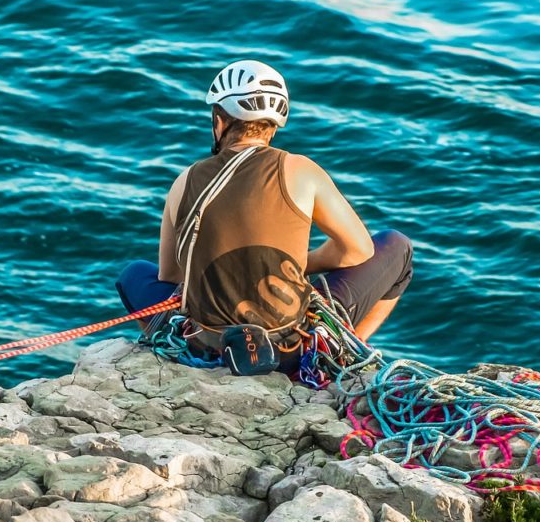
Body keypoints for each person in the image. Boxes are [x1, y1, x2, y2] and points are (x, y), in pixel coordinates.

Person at [116, 60, 413, 369]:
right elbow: (357, 250)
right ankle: (346, 355)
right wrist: (296, 264)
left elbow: (171, 275)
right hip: (291, 349)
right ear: (275, 123)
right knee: (397, 245)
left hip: (207, 345)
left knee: (133, 274)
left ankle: (172, 353)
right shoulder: (301, 170)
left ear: (220, 119)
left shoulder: (184, 181)